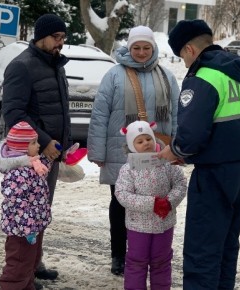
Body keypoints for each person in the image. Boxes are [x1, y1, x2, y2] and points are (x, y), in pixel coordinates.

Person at [158, 19, 240, 289]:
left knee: (202, 251)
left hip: (214, 176)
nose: (185, 63)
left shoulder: (203, 77)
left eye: (182, 57)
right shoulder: (237, 75)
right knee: (226, 247)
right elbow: (227, 125)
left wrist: (175, 151)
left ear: (189, 49)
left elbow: (191, 133)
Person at [87, 25, 180, 276]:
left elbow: (176, 114)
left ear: (153, 48)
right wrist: (97, 151)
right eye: (136, 48)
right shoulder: (114, 75)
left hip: (157, 152)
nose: (141, 52)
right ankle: (119, 254)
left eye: (145, 47)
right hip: (121, 152)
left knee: (153, 202)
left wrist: (177, 147)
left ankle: (148, 253)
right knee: (120, 203)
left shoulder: (167, 76)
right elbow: (100, 114)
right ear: (129, 48)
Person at [2, 13, 72, 283]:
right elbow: (14, 114)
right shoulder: (22, 66)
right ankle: (21, 274)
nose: (60, 43)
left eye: (63, 38)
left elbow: (58, 110)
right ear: (40, 36)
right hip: (31, 156)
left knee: (41, 212)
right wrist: (45, 141)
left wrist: (63, 143)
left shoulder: (56, 65)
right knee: (26, 215)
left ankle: (34, 263)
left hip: (50, 155)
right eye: (56, 37)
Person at [114, 120, 187, 290]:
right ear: (132, 145)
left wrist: (169, 202)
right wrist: (152, 203)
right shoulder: (128, 169)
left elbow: (180, 183)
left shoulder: (166, 163)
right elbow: (122, 194)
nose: (145, 143)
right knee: (136, 261)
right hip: (138, 225)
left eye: (148, 139)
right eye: (139, 141)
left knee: (161, 261)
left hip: (164, 223)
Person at [0, 121, 52, 290]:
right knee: (18, 264)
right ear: (22, 148)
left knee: (29, 262)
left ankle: (27, 285)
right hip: (22, 230)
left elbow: (44, 166)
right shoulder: (17, 174)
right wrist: (27, 228)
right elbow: (17, 204)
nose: (39, 145)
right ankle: (11, 286)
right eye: (34, 143)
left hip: (32, 226)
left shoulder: (31, 164)